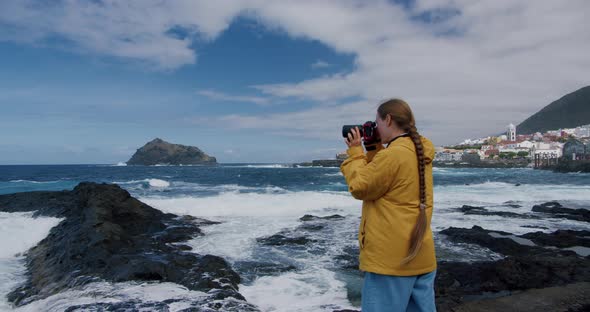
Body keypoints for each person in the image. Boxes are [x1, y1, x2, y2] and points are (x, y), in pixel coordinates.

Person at [340, 99, 437, 312]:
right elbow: (386, 176)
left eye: (377, 122)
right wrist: (374, 147)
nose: (375, 128)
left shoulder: (394, 154)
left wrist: (356, 152)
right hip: (421, 254)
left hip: (391, 261)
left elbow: (360, 187)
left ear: (389, 119)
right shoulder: (419, 150)